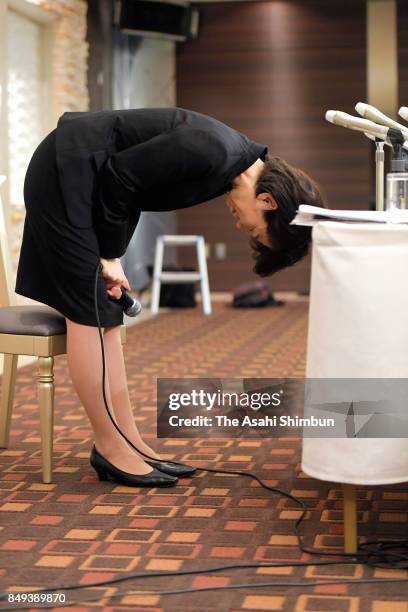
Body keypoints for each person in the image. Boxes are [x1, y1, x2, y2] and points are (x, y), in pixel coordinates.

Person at [15, 107, 325, 488]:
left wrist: (113, 256)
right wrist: (110, 255)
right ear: (268, 202)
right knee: (90, 310)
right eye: (257, 232)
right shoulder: (214, 152)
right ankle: (111, 446)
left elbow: (132, 188)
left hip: (83, 180)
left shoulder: (229, 163)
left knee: (106, 310)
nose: (243, 227)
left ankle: (129, 442)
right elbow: (118, 179)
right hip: (66, 172)